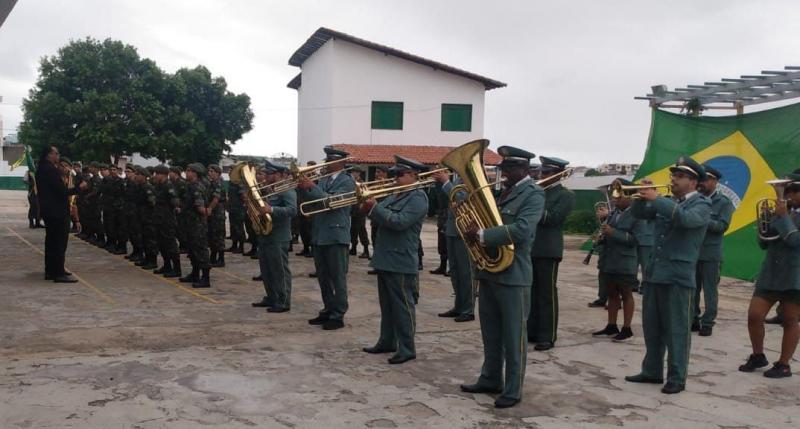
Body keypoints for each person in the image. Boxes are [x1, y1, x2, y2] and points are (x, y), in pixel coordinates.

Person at [459, 145, 545, 409]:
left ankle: (513, 388)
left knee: (513, 336)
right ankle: (490, 378)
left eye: (509, 169)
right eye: (503, 169)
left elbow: (521, 230)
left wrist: (482, 235)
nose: (504, 174)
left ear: (524, 169)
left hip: (513, 274)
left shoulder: (534, 194)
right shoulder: (504, 192)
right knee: (491, 332)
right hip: (490, 272)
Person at [625, 156, 711, 394]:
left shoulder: (702, 205)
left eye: (680, 176)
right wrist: (642, 194)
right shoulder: (669, 202)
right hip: (655, 274)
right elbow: (641, 213)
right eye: (674, 175)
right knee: (652, 327)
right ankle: (652, 371)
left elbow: (685, 220)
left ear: (693, 182)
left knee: (677, 330)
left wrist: (657, 198)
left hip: (678, 276)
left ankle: (677, 376)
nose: (673, 179)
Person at [361, 156, 429, 364]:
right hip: (385, 256)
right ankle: (387, 340)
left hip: (400, 258)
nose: (395, 178)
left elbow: (400, 222)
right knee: (387, 305)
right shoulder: (395, 194)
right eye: (394, 174)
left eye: (399, 174)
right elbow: (381, 216)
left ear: (413, 176)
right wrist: (369, 208)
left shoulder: (418, 198)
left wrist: (375, 208)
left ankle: (407, 348)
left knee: (402, 306)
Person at [739, 172, 800, 378]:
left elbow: (795, 242)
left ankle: (783, 364)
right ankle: (758, 355)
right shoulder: (781, 211)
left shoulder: (784, 213)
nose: (787, 195)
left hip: (794, 274)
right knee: (754, 315)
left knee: (790, 320)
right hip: (771, 272)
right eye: (786, 190)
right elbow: (764, 243)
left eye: (792, 191)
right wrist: (767, 221)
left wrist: (782, 217)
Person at [297, 147, 355, 330]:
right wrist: (304, 188)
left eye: (330, 160)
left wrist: (311, 187)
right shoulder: (323, 180)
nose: (326, 162)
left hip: (336, 234)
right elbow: (315, 202)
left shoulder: (347, 182)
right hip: (321, 233)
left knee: (337, 278)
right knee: (323, 277)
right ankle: (328, 309)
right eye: (326, 159)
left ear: (340, 162)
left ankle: (338, 314)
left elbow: (331, 202)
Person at [528, 156, 575, 351]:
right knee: (530, 292)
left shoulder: (565, 195)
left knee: (547, 294)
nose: (542, 175)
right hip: (531, 247)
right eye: (542, 172)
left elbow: (553, 219)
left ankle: (548, 336)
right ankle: (532, 331)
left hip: (548, 249)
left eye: (547, 173)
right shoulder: (536, 193)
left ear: (558, 175)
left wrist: (531, 207)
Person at [591, 178, 644, 342]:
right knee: (611, 293)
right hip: (609, 259)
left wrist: (613, 232)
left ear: (629, 196)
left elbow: (635, 240)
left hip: (625, 261)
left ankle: (627, 328)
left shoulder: (638, 214)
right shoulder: (614, 213)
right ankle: (611, 325)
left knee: (626, 293)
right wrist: (600, 238)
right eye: (615, 196)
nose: (615, 199)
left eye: (619, 196)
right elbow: (608, 233)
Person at [692, 164, 734, 336]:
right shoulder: (695, 199)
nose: (703, 182)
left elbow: (722, 226)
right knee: (692, 288)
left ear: (715, 181)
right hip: (693, 250)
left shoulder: (724, 202)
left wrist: (702, 219)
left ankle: (708, 322)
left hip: (710, 254)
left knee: (710, 291)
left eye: (707, 179)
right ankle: (693, 318)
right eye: (702, 178)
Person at [251, 160, 298, 312]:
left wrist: (271, 209)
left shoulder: (287, 189)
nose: (265, 176)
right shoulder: (269, 189)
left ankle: (283, 301)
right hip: (266, 234)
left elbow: (292, 210)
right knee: (267, 270)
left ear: (278, 175)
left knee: (280, 271)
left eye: (269, 174)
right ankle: (271, 296)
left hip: (279, 236)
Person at [34, 146, 82, 283]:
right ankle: (58, 273)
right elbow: (61, 191)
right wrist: (79, 188)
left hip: (49, 211)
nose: (58, 156)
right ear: (50, 155)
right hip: (57, 212)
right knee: (59, 243)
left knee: (51, 243)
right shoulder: (50, 170)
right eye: (56, 153)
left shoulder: (42, 169)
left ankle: (51, 270)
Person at [435, 171, 475, 322]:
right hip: (452, 229)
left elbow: (461, 198)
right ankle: (459, 306)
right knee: (455, 272)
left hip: (465, 231)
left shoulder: (474, 179)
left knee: (466, 273)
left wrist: (446, 182)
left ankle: (468, 309)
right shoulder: (458, 179)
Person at [179, 163, 212, 288]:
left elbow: (200, 207)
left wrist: (205, 212)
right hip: (190, 222)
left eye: (189, 171)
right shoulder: (190, 185)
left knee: (200, 249)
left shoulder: (197, 187)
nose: (186, 173)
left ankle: (205, 278)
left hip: (197, 224)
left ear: (195, 173)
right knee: (192, 250)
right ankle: (195, 273)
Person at [152, 165, 182, 278]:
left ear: (163, 174)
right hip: (159, 218)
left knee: (170, 244)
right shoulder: (159, 185)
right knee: (162, 244)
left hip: (167, 219)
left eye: (157, 174)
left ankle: (177, 268)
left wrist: (176, 208)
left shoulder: (168, 186)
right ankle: (167, 265)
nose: (155, 176)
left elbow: (175, 201)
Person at [134, 166, 158, 270]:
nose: (136, 176)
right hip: (142, 216)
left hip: (149, 218)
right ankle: (147, 258)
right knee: (144, 238)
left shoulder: (147, 187)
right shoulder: (140, 186)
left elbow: (153, 203)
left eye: (138, 174)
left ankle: (152, 260)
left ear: (143, 176)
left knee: (150, 240)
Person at [207, 165, 227, 267]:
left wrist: (209, 208)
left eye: (212, 171)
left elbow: (216, 199)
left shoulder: (219, 184)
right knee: (213, 235)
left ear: (218, 173)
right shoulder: (211, 183)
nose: (210, 173)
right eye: (209, 171)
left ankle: (221, 259)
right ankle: (213, 257)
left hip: (217, 212)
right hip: (213, 212)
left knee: (218, 235)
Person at [349, 167, 371, 258]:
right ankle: (353, 248)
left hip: (360, 210)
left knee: (361, 230)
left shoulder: (361, 183)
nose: (355, 174)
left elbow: (365, 195)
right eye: (353, 172)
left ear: (359, 173)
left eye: (356, 172)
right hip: (353, 209)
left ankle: (366, 250)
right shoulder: (351, 183)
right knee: (353, 230)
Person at [227, 166, 247, 254]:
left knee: (239, 228)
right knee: (233, 228)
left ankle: (241, 246)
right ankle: (234, 245)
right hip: (232, 207)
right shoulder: (231, 183)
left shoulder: (240, 183)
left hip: (239, 208)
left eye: (231, 170)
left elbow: (243, 196)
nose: (229, 172)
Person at [169, 166, 189, 253]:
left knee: (181, 228)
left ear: (175, 173)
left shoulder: (181, 183)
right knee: (177, 228)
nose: (169, 174)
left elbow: (185, 197)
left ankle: (184, 245)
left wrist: (181, 207)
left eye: (171, 172)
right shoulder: (173, 182)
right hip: (175, 208)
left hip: (181, 209)